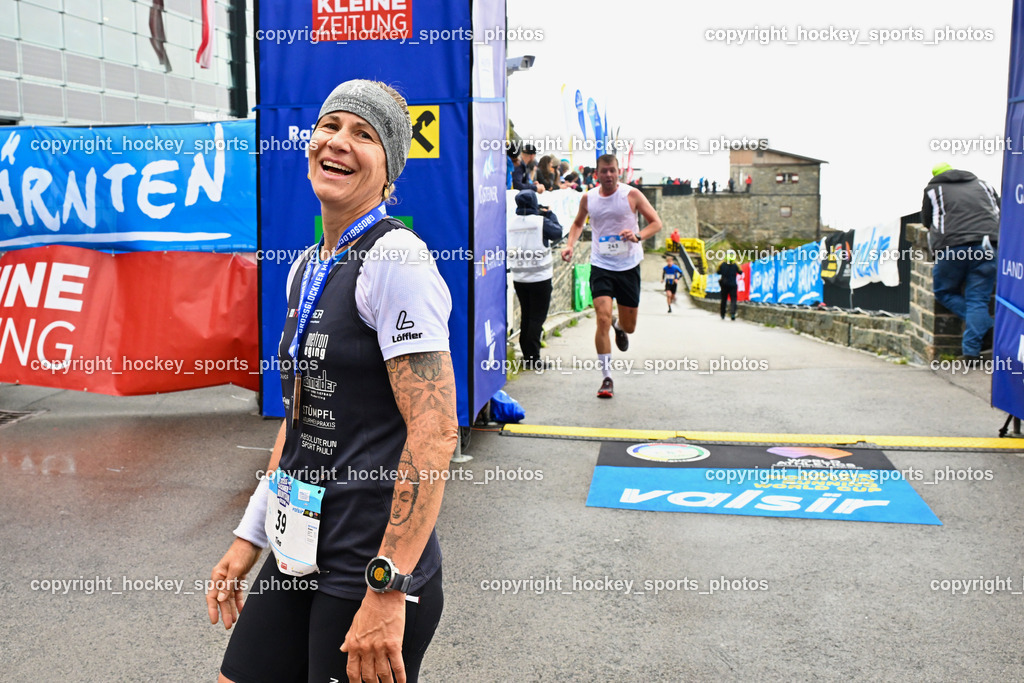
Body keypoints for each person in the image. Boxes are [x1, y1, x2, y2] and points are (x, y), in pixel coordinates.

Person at [207, 79, 458, 683]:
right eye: (330, 126)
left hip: (370, 562)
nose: (338, 141)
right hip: (299, 546)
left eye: (363, 134)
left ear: (388, 170)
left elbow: (435, 432)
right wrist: (249, 536)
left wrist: (390, 585)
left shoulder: (396, 260)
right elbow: (299, 425)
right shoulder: (305, 266)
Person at [560, 153, 663, 398]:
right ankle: (607, 378)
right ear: (597, 174)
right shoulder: (589, 198)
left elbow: (656, 223)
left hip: (628, 266)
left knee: (630, 326)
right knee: (602, 318)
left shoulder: (632, 195)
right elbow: (578, 224)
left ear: (619, 172)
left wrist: (637, 236)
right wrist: (570, 244)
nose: (608, 175)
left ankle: (620, 326)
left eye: (612, 170)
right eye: (604, 171)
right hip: (601, 264)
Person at [921, 162, 1000, 363]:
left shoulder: (934, 190)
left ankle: (986, 327)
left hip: (952, 248)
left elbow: (926, 222)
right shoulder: (984, 185)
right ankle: (971, 352)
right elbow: (999, 211)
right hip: (987, 246)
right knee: (977, 300)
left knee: (944, 292)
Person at [508, 189, 563, 368]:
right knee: (537, 318)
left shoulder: (511, 223)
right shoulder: (541, 222)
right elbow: (558, 233)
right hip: (540, 278)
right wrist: (550, 214)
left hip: (520, 278)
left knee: (526, 316)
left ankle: (527, 355)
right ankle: (533, 359)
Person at [718, 253, 741, 320]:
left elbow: (718, 272)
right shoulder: (735, 265)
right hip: (733, 284)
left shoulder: (722, 264)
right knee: (733, 299)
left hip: (724, 284)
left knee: (723, 299)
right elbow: (740, 272)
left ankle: (722, 314)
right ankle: (733, 313)